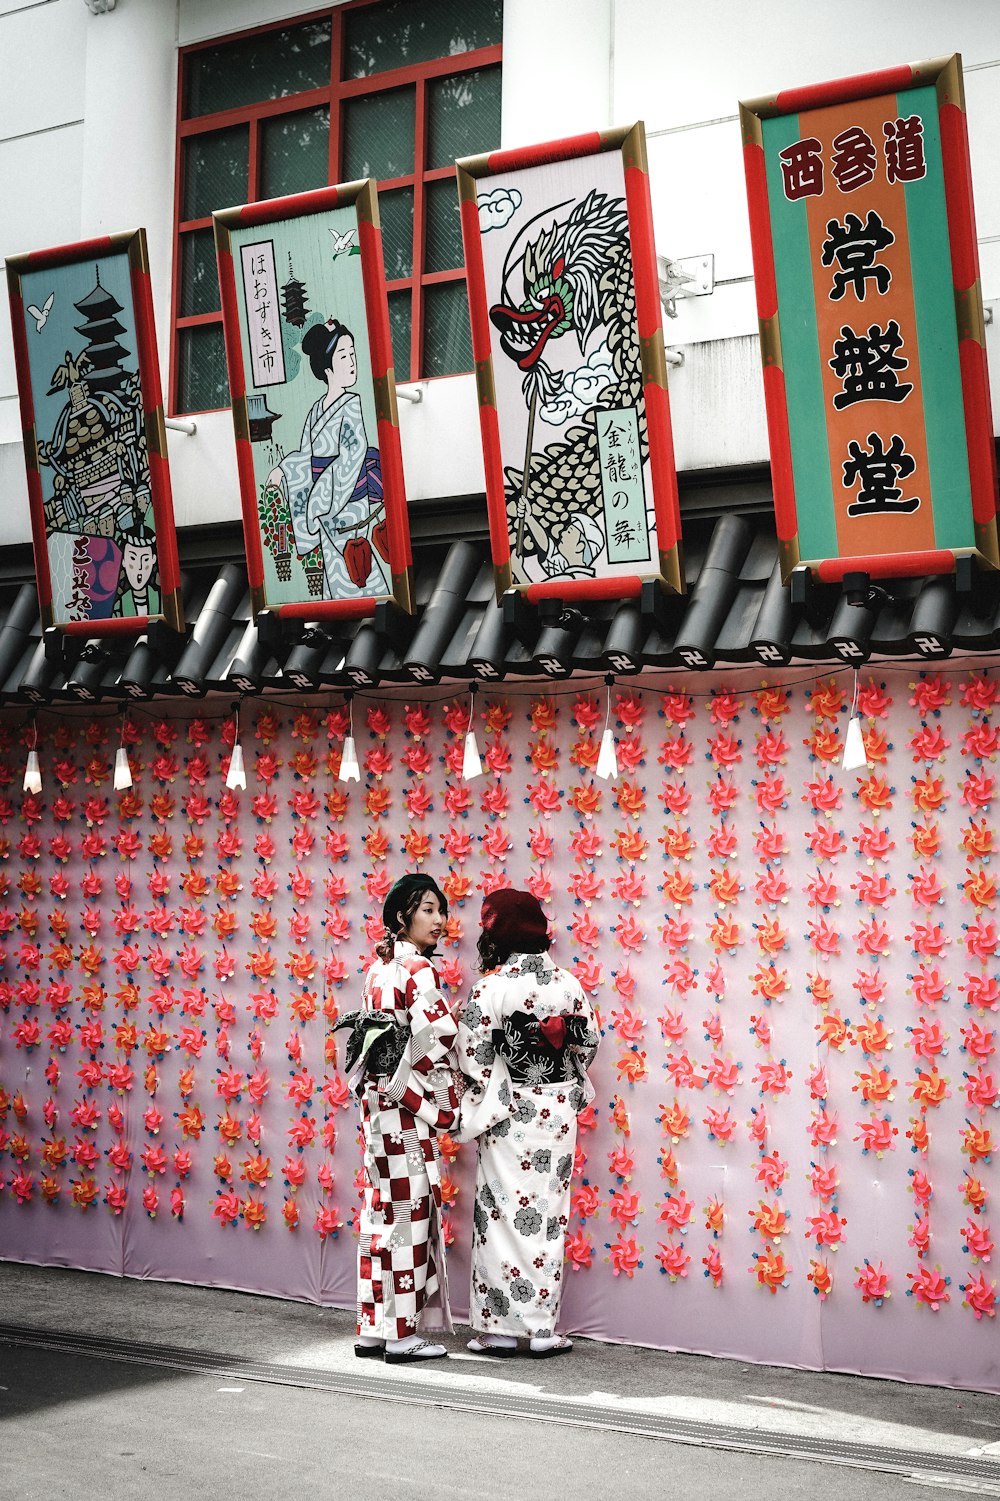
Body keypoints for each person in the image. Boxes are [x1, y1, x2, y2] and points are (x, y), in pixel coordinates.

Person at [456, 888, 599, 1358]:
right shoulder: (569, 985)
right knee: (548, 1217)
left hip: (507, 1112)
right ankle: (541, 1332)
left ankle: (498, 1331)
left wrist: (494, 1084)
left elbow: (474, 1058)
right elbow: (587, 1045)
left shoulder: (490, 988)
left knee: (500, 1216)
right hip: (555, 1114)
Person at [335, 874, 459, 1364]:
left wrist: (387, 1080)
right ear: (402, 916)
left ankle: (373, 1326)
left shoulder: (376, 970)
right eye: (427, 909)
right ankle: (403, 1333)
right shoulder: (417, 970)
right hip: (403, 1107)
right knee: (409, 1211)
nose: (439, 920)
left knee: (380, 1210)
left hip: (376, 1106)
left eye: (440, 910)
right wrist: (412, 1083)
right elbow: (440, 1033)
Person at [265, 318, 387, 599]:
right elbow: (306, 457)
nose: (352, 362)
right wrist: (283, 471)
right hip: (327, 510)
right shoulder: (316, 409)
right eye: (344, 356)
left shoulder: (351, 407)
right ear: (327, 367)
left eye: (353, 353)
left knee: (357, 571)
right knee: (337, 571)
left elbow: (352, 459)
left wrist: (318, 501)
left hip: (348, 505)